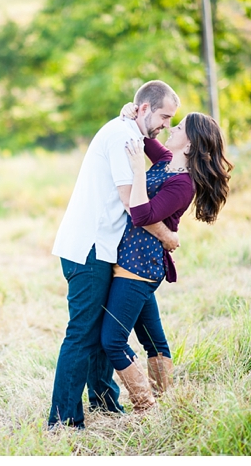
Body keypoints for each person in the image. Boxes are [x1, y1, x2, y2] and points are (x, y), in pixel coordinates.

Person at [48, 80, 181, 429]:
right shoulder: (124, 137)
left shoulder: (129, 133)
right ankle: (62, 421)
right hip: (90, 247)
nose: (166, 125)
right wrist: (167, 236)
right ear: (144, 108)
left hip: (101, 247)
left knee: (98, 329)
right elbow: (130, 202)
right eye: (165, 116)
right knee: (82, 333)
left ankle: (105, 403)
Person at [100, 109, 233, 412]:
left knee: (112, 340)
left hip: (140, 266)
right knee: (153, 341)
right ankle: (167, 403)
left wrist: (136, 171)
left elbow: (142, 214)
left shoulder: (183, 184)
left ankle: (146, 406)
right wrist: (127, 112)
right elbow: (144, 134)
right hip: (131, 260)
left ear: (188, 145)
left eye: (180, 127)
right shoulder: (164, 161)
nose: (171, 127)